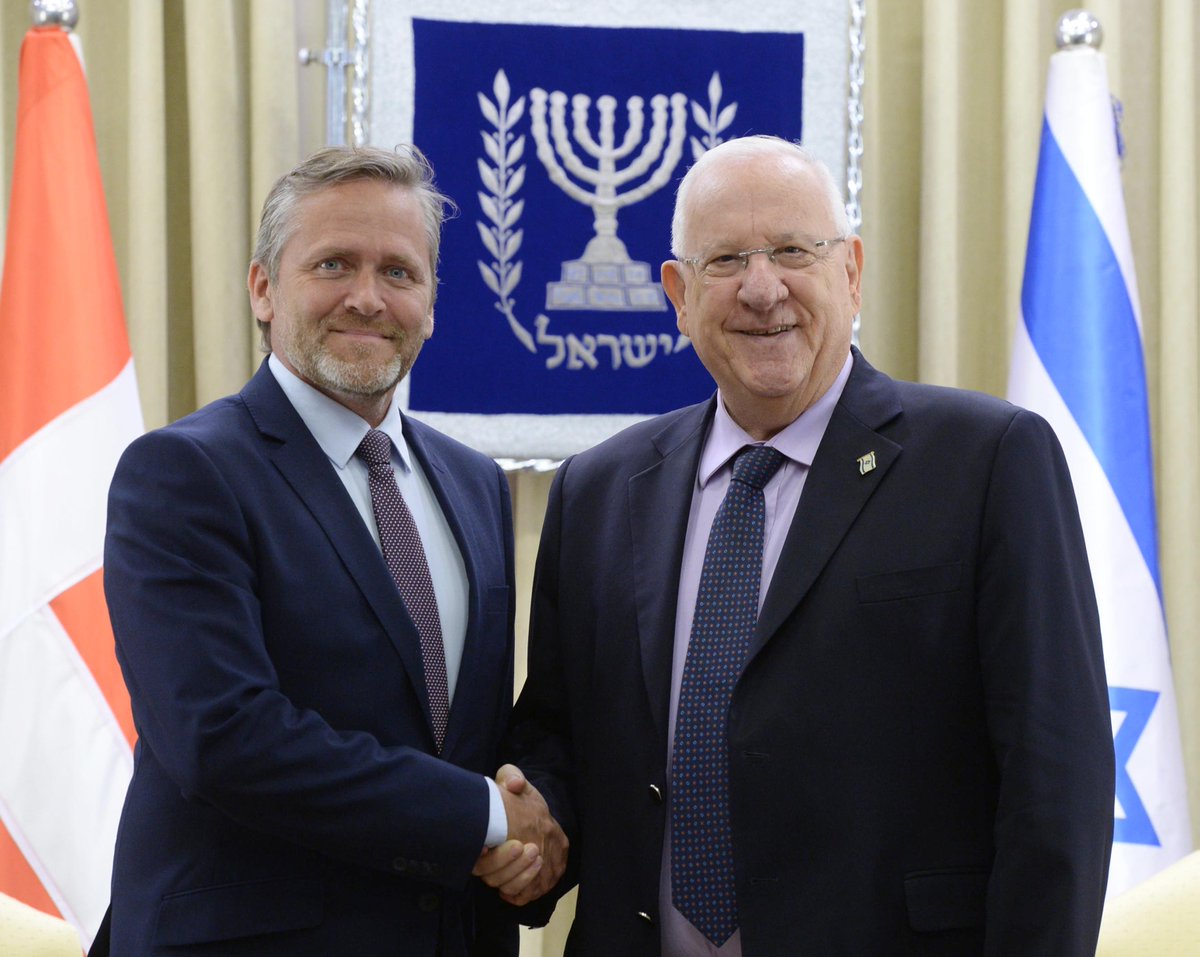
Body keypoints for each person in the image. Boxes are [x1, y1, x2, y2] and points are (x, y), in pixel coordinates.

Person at [494, 136, 1114, 955]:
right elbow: (563, 741)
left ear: (850, 272)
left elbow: (1055, 783)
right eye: (725, 260)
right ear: (679, 293)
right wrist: (534, 827)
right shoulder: (598, 492)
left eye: (793, 251)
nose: (762, 288)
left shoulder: (986, 462)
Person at [102, 145, 564, 957]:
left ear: (431, 303)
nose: (367, 297)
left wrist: (538, 829)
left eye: (399, 272)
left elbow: (479, 734)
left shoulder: (475, 483)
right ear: (263, 287)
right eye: (333, 264)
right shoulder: (184, 473)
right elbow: (224, 736)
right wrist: (488, 816)